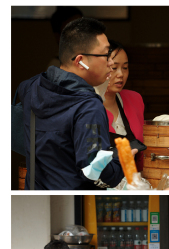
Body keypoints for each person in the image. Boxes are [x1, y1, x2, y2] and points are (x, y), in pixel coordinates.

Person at [17, 17, 126, 190]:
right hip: (75, 203)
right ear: (80, 61)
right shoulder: (89, 106)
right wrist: (121, 160)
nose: (111, 63)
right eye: (106, 55)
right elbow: (95, 170)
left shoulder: (30, 88)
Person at [103, 41, 146, 172]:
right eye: (114, 68)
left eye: (125, 68)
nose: (121, 74)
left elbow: (141, 155)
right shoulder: (86, 106)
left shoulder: (134, 99)